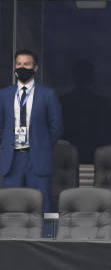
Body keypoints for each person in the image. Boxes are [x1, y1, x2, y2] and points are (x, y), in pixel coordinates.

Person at [0, 49, 63, 212]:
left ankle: (46, 237)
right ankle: (11, 238)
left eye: (26, 64)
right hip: (12, 159)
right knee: (10, 207)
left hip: (38, 159)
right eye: (19, 64)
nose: (22, 67)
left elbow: (56, 127)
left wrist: (41, 145)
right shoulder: (4, 94)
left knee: (43, 206)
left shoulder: (48, 94)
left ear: (35, 68)